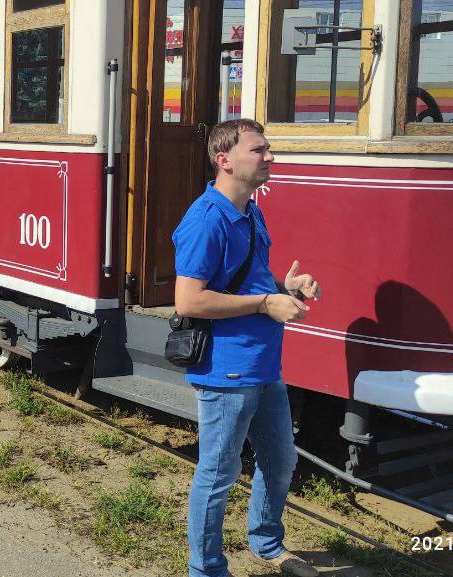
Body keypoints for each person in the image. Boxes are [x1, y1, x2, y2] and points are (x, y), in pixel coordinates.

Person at [172, 119, 321, 577]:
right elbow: (189, 299)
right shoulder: (206, 220)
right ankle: (208, 569)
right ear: (225, 160)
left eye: (268, 148)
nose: (270, 156)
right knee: (218, 475)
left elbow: (246, 278)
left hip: (263, 366)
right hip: (226, 370)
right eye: (259, 150)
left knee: (280, 461)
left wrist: (284, 285)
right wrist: (265, 302)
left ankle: (266, 544)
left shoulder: (251, 211)